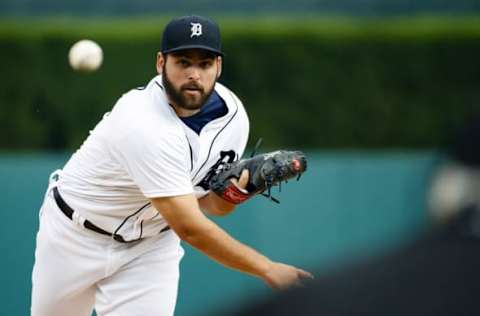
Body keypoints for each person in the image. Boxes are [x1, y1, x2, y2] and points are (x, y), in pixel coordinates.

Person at [30, 15, 312, 316]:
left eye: (204, 64)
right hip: (74, 236)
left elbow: (210, 205)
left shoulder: (233, 119)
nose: (194, 74)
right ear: (161, 63)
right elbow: (189, 227)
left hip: (150, 246)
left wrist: (236, 193)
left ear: (218, 67)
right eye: (183, 62)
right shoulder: (142, 121)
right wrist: (267, 269)